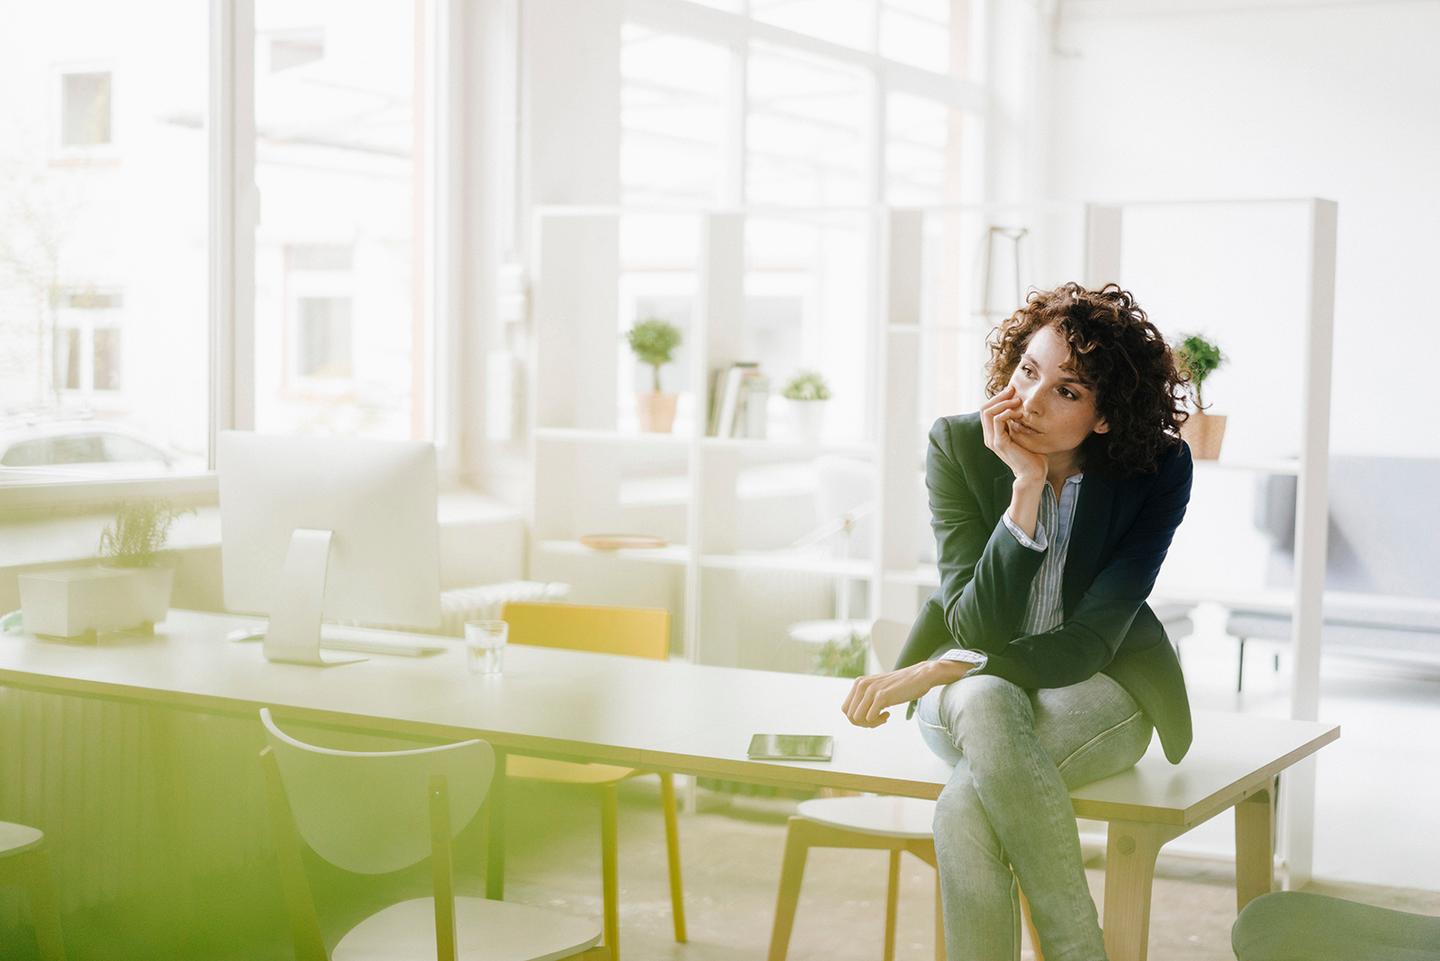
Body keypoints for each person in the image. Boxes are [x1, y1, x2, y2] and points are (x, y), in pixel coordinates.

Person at [841, 281, 1196, 961]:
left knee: (966, 806)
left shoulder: (1157, 469)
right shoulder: (957, 444)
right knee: (983, 695)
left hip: (1098, 684)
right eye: (1028, 371)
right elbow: (974, 627)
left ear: (1106, 417)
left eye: (1067, 391)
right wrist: (1025, 488)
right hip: (971, 694)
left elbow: (1089, 642)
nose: (1030, 401)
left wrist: (944, 668)